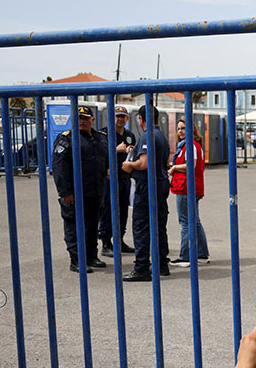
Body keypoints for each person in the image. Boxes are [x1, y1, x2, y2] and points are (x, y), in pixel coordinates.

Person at [52, 105, 109, 273]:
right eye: (78, 118)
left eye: (85, 118)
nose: (81, 121)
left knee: (92, 226)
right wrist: (65, 192)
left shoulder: (101, 138)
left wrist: (107, 169)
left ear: (92, 120)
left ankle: (91, 256)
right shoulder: (67, 139)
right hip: (75, 193)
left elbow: (105, 158)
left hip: (96, 190)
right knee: (74, 225)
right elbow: (59, 167)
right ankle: (76, 260)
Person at [122, 105, 171, 282]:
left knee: (141, 226)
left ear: (141, 119)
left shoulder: (147, 135)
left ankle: (142, 267)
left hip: (148, 186)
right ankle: (162, 264)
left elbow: (144, 163)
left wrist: (130, 165)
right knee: (158, 225)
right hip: (161, 184)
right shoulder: (160, 136)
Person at [168, 118, 209, 267]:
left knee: (185, 222)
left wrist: (174, 168)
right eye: (178, 129)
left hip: (186, 187)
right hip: (193, 187)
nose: (180, 131)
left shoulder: (190, 145)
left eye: (183, 128)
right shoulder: (193, 145)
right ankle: (202, 254)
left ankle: (185, 256)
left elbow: (191, 164)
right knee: (195, 221)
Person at [98, 104, 136, 256]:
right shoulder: (103, 135)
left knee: (123, 211)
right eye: (117, 116)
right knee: (107, 210)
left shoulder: (129, 135)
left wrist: (130, 152)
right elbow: (98, 155)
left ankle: (119, 241)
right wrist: (116, 149)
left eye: (123, 117)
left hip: (124, 179)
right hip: (109, 179)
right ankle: (106, 243)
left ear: (127, 119)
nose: (120, 119)